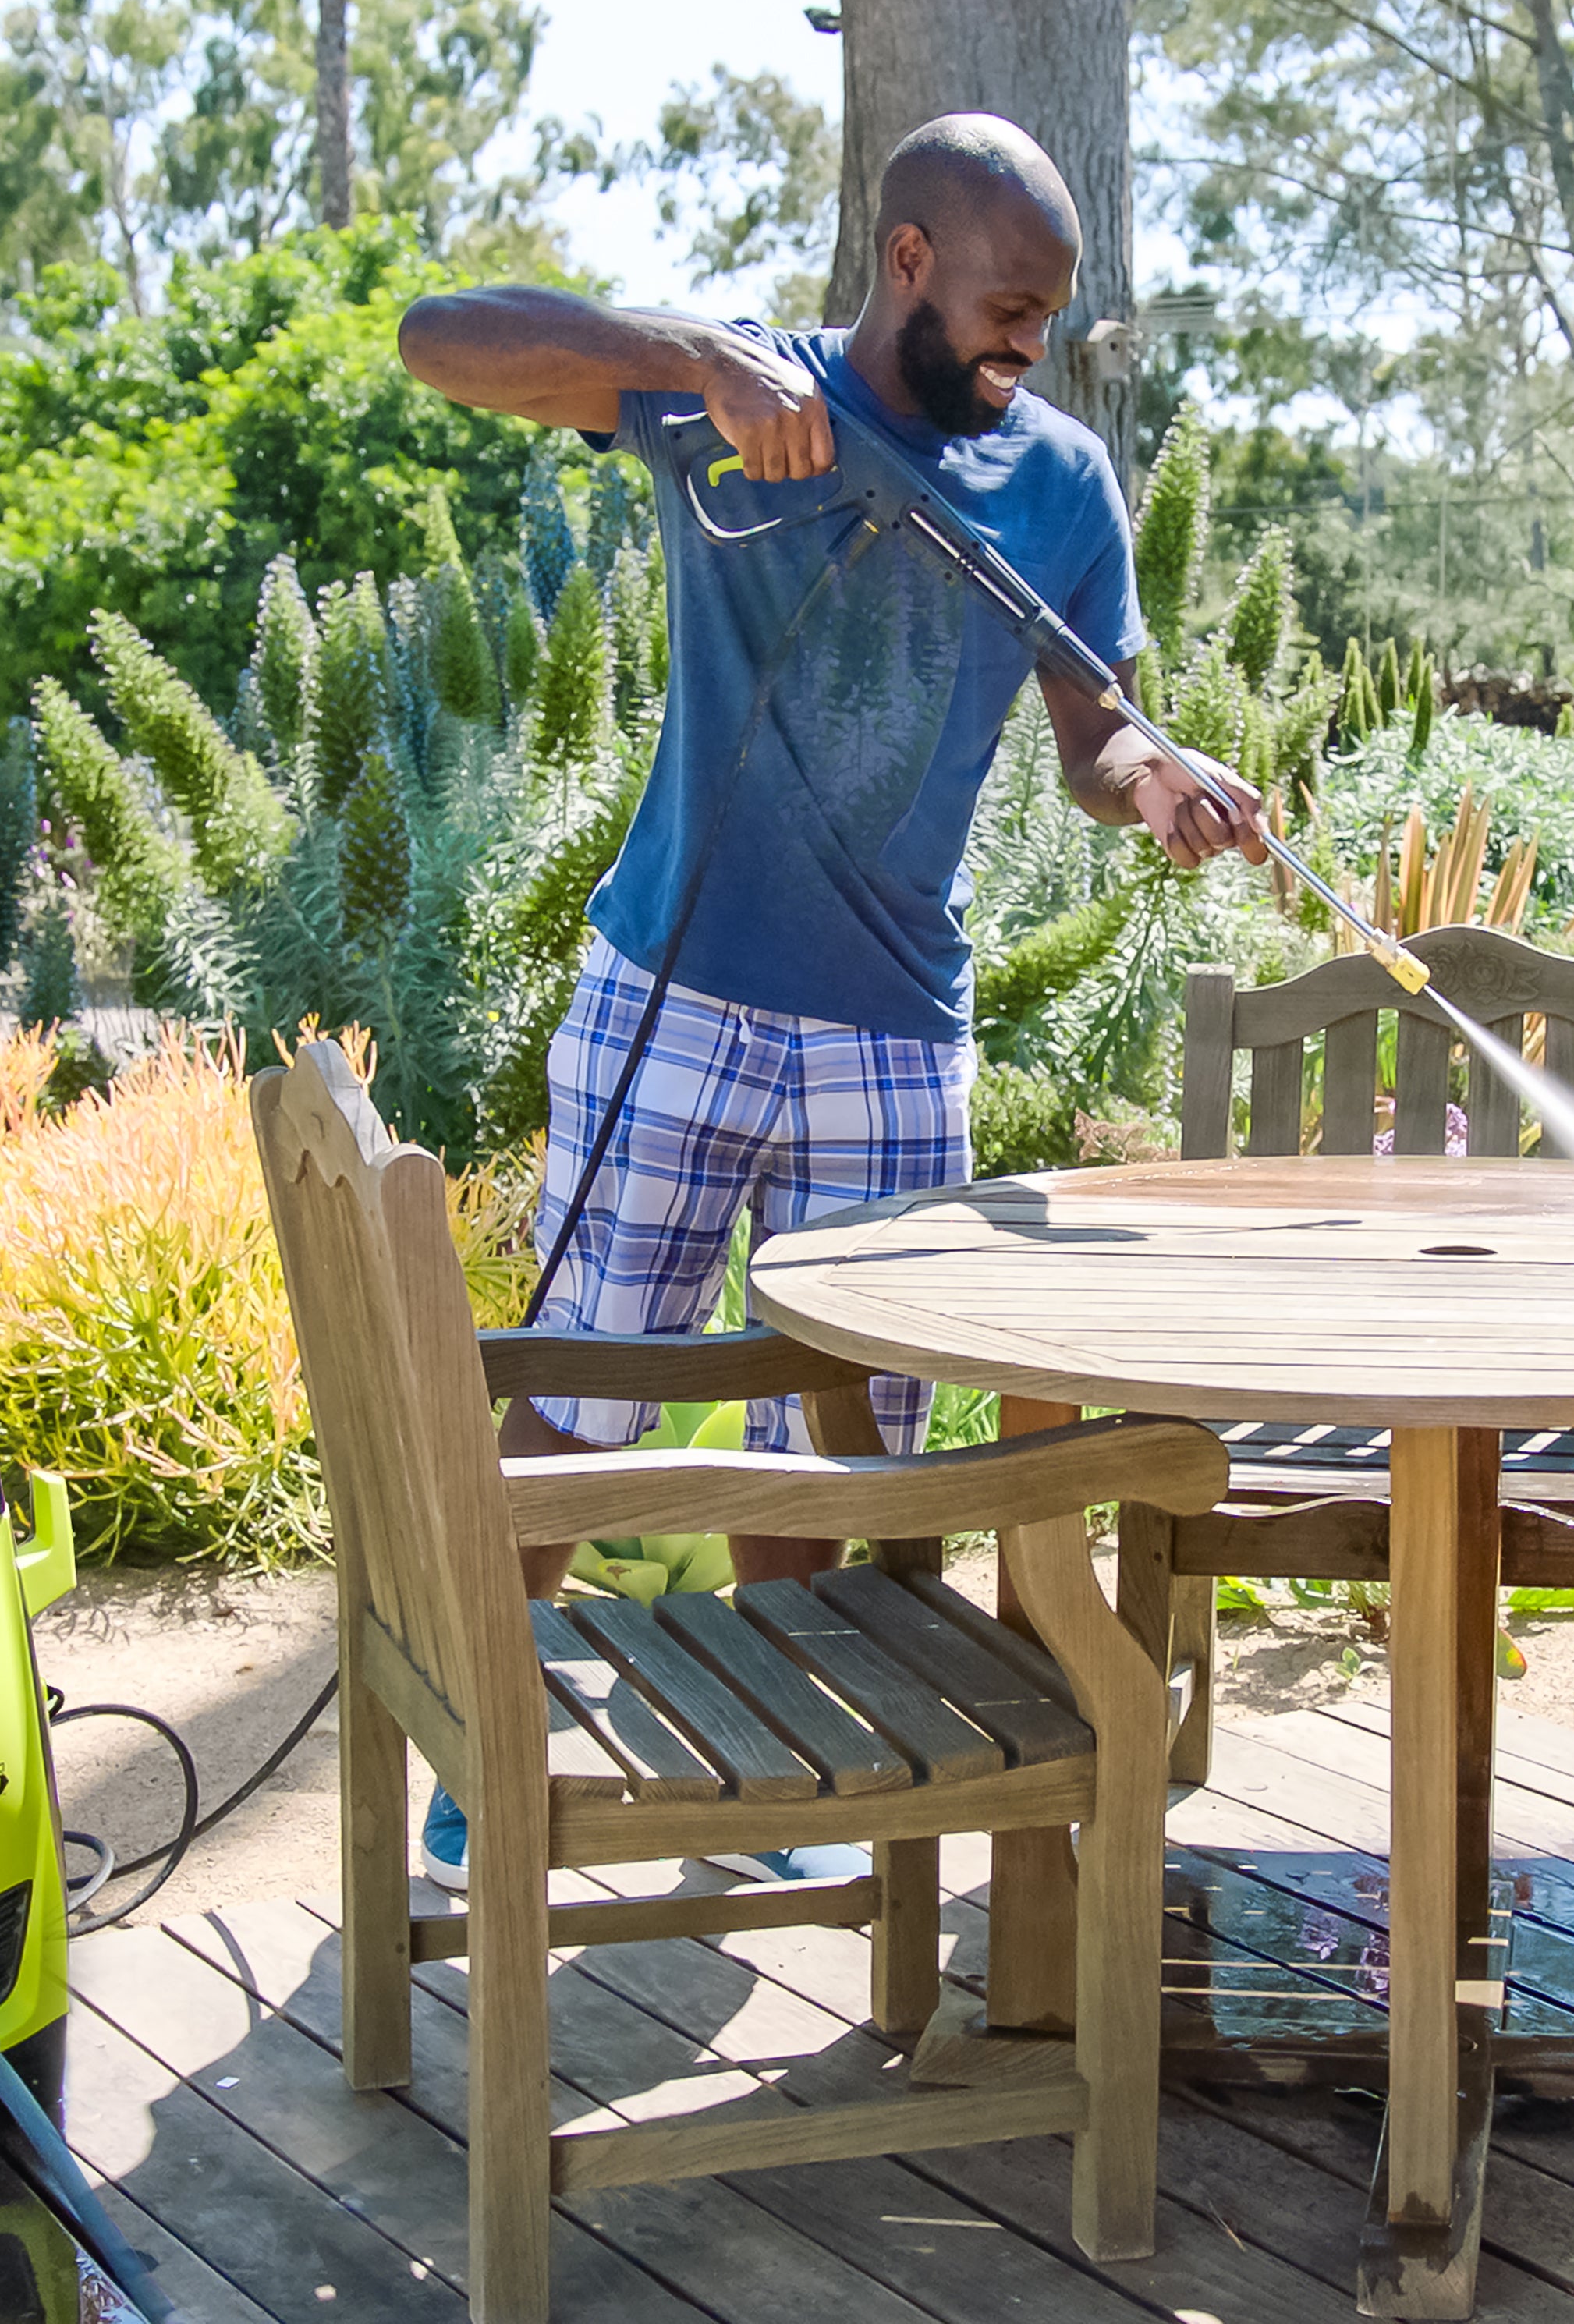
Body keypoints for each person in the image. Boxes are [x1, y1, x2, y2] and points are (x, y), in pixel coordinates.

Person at [396, 111, 1264, 1890]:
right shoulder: (733, 400)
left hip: (893, 1032)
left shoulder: (1063, 484)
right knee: (582, 1390)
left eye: (1052, 319)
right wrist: (687, 356)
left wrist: (1160, 775)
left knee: (849, 1442)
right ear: (909, 260)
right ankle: (483, 1749)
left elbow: (1093, 733)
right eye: (1009, 306)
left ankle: (798, 1765)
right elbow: (441, 341)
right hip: (678, 994)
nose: (1029, 345)